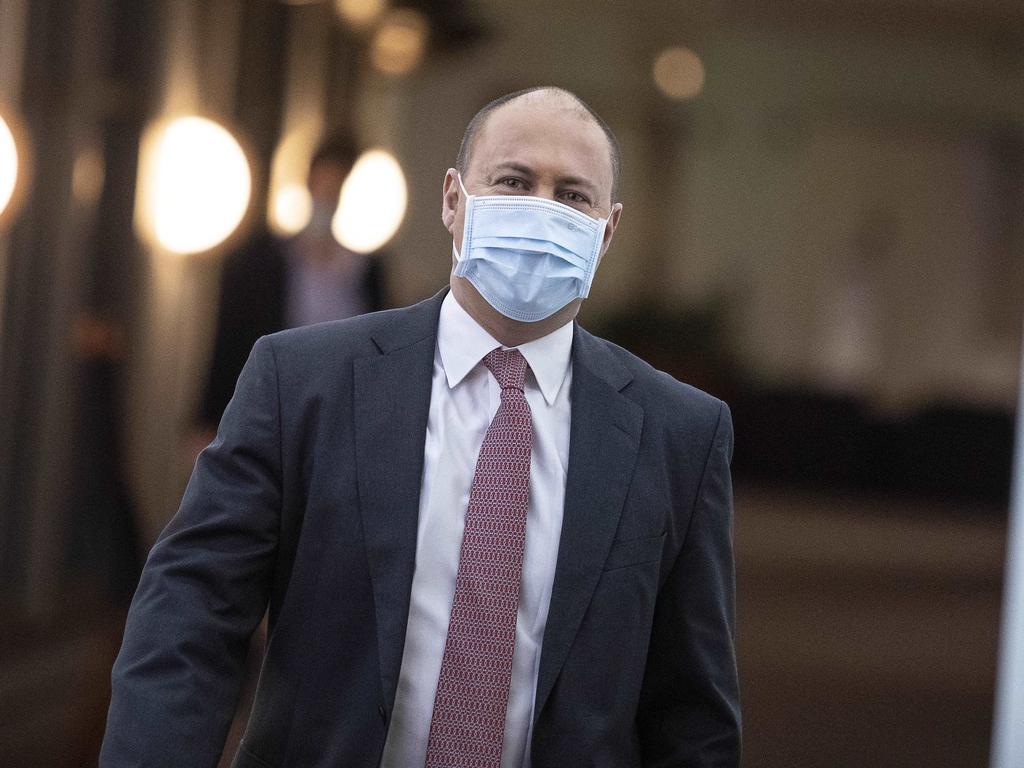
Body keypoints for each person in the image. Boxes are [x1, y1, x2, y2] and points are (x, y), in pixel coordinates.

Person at [102, 86, 740, 768]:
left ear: (607, 231)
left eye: (573, 197)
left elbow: (691, 711)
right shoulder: (302, 383)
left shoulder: (678, 436)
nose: (540, 209)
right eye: (515, 181)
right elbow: (190, 616)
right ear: (453, 200)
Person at [194, 132, 387, 442]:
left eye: (339, 185)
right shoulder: (261, 263)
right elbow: (230, 340)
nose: (331, 194)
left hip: (338, 421)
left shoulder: (364, 272)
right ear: (311, 181)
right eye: (326, 183)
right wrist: (205, 421)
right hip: (269, 412)